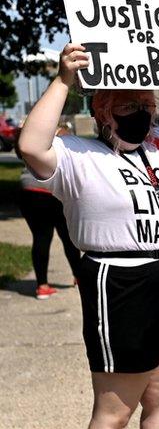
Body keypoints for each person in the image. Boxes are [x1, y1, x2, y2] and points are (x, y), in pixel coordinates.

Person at [17, 43, 159, 429]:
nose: (140, 113)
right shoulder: (78, 155)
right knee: (114, 415)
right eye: (128, 107)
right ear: (103, 113)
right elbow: (30, 145)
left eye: (146, 104)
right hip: (122, 284)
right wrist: (64, 80)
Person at [17, 123, 82, 299]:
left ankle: (42, 286)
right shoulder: (64, 134)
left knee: (40, 237)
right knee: (69, 238)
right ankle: (80, 276)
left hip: (29, 190)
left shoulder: (32, 134)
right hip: (53, 191)